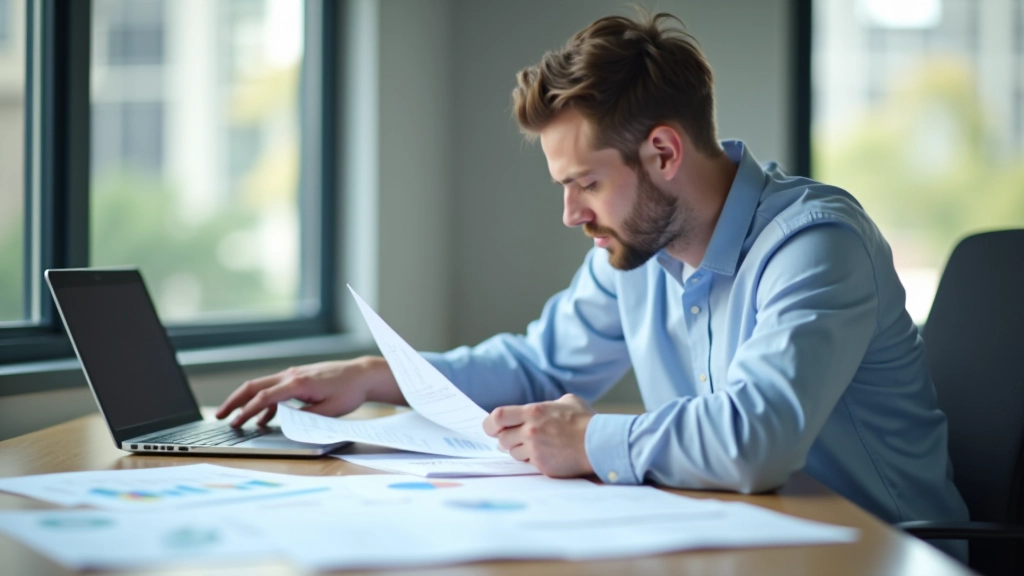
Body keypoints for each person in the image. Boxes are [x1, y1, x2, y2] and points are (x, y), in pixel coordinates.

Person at [217, 9, 968, 548]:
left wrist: (590, 439)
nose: (571, 215)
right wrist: (371, 376)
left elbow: (756, 439)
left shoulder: (814, 244)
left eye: (586, 184)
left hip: (877, 553)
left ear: (664, 154)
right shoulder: (636, 252)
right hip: (746, 541)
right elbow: (535, 365)